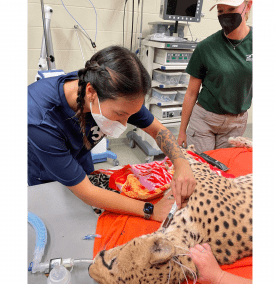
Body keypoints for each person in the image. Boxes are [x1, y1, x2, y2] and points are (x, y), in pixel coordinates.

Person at [28, 46, 196, 221]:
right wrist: (150, 210)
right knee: (61, 222)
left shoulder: (117, 95)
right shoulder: (39, 119)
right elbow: (86, 191)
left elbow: (157, 130)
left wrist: (181, 163)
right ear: (90, 92)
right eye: (120, 115)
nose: (124, 124)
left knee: (88, 214)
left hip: (81, 158)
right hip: (46, 175)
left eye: (129, 115)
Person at [177, 0, 253, 153]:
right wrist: (182, 131)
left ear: (248, 6)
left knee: (224, 170)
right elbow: (191, 93)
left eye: (231, 9)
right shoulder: (206, 47)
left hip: (236, 123)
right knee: (201, 168)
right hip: (205, 119)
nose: (225, 16)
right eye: (220, 11)